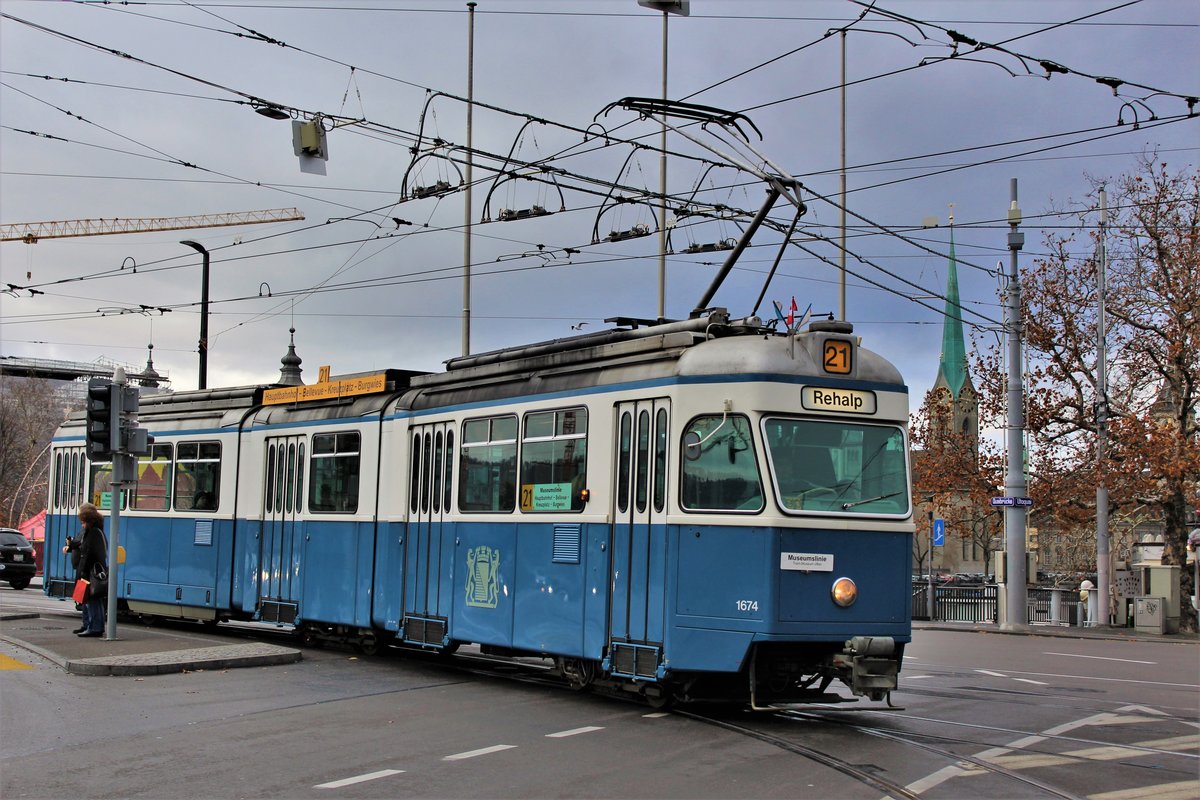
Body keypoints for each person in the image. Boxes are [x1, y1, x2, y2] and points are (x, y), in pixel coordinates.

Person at [75, 503, 108, 637]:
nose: (82, 525)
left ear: (89, 521)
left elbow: (89, 553)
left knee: (92, 600)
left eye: (83, 522)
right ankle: (93, 626)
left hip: (90, 572)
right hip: (91, 571)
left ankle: (94, 627)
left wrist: (83, 570)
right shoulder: (97, 531)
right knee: (93, 600)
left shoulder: (93, 533)